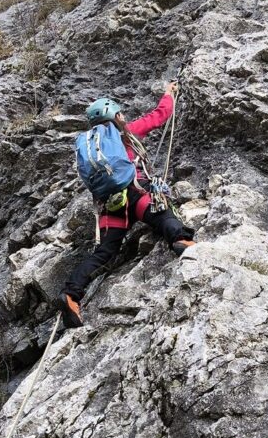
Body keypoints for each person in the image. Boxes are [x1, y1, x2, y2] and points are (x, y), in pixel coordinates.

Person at [57, 82, 195, 328]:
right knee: (162, 213)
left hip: (109, 205)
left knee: (104, 252)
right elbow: (159, 116)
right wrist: (168, 93)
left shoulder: (91, 147)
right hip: (134, 192)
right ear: (115, 116)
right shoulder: (126, 133)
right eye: (120, 114)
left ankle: (71, 294)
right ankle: (180, 239)